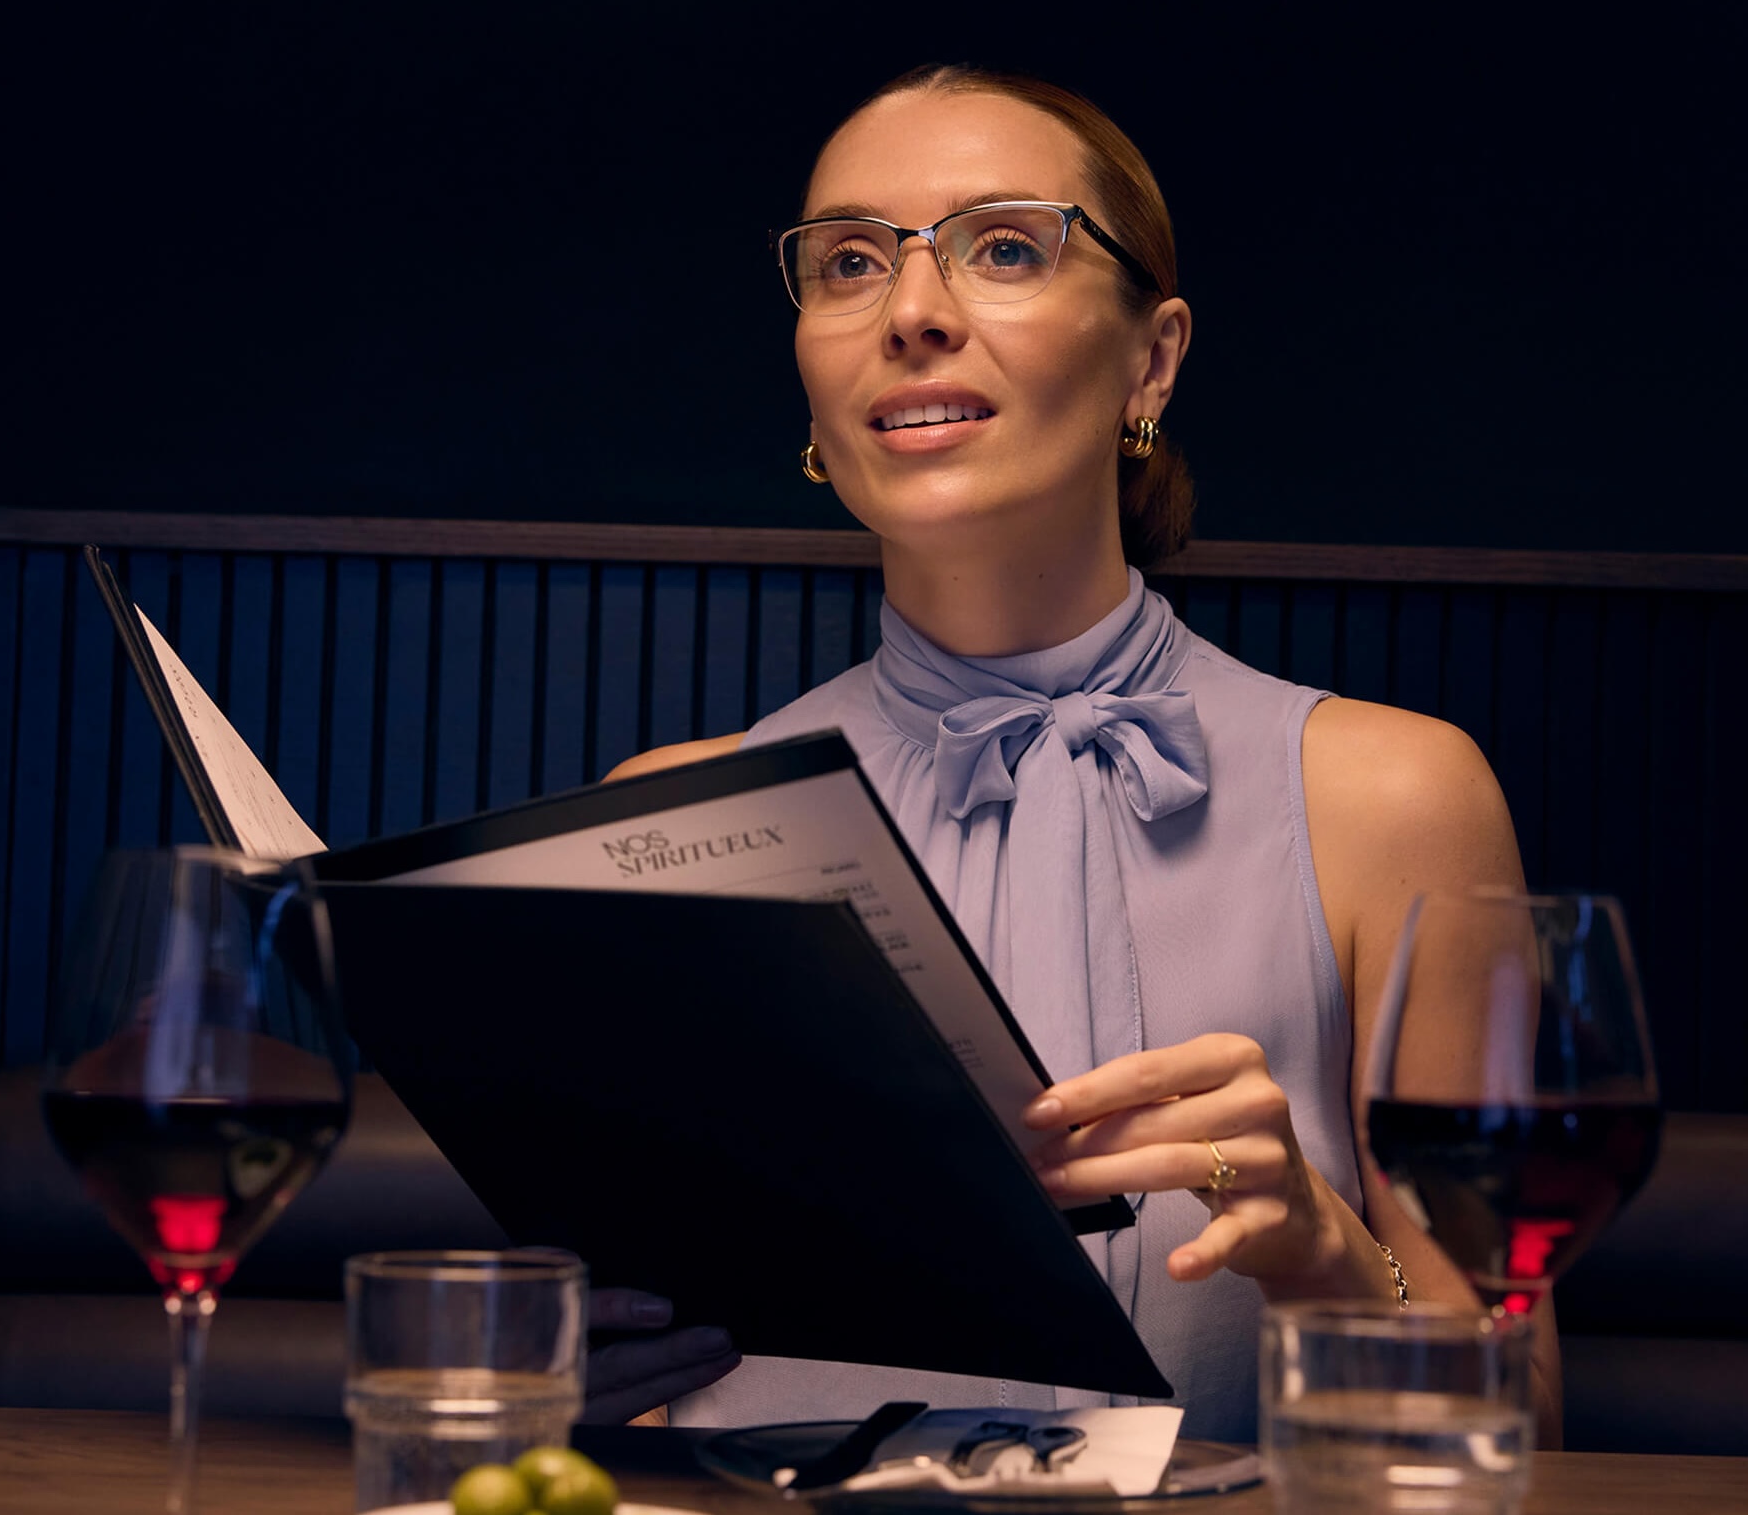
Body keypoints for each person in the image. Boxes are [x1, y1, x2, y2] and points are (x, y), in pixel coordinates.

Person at [585, 63, 1553, 1443]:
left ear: (1150, 359)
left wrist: (1325, 1252)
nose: (911, 312)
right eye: (849, 263)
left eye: (1001, 247)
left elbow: (1526, 1426)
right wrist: (572, 1383)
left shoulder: (1391, 799)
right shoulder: (663, 824)